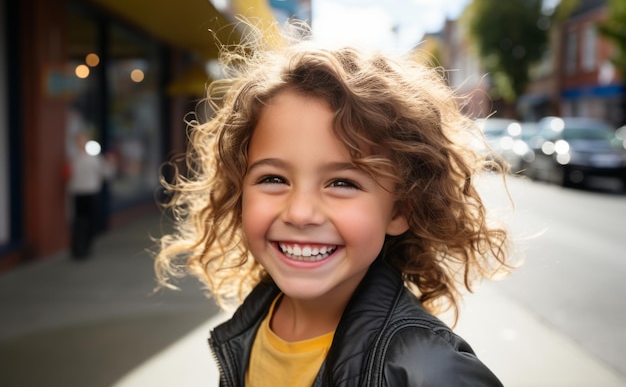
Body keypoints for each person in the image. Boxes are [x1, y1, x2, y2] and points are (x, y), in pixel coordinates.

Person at [155, 21, 516, 386]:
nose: (300, 213)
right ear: (239, 190)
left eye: (342, 183)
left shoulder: (434, 373)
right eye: (274, 179)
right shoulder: (252, 325)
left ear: (400, 208)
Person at [67, 131, 115, 260]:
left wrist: (110, 162)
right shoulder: (73, 158)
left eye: (83, 140)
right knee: (78, 222)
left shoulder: (94, 158)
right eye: (79, 141)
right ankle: (77, 249)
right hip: (77, 193)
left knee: (90, 221)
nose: (81, 143)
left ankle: (86, 247)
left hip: (91, 193)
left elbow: (106, 173)